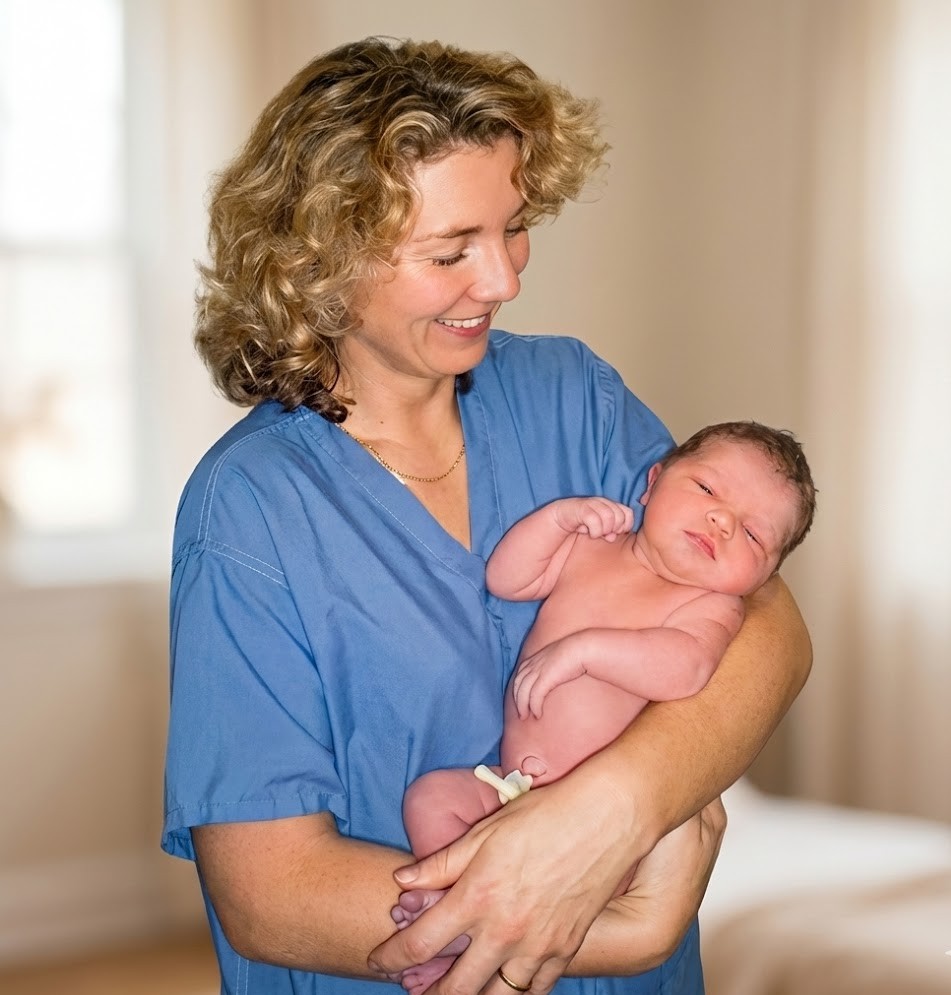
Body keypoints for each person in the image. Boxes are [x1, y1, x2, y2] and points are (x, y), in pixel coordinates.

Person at [162, 37, 812, 995]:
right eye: (449, 250)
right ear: (321, 261)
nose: (504, 280)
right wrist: (614, 929)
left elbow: (771, 627)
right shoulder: (251, 510)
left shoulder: (570, 396)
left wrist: (616, 807)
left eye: (511, 227)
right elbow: (272, 893)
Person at [397, 421, 815, 992]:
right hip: (511, 788)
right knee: (433, 800)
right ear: (652, 482)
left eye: (752, 535)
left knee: (557, 882)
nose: (722, 520)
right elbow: (509, 578)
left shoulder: (709, 608)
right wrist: (558, 521)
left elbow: (685, 667)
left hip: (598, 830)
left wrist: (587, 650)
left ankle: (472, 932)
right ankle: (456, 916)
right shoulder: (591, 548)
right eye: (709, 491)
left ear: (764, 577)